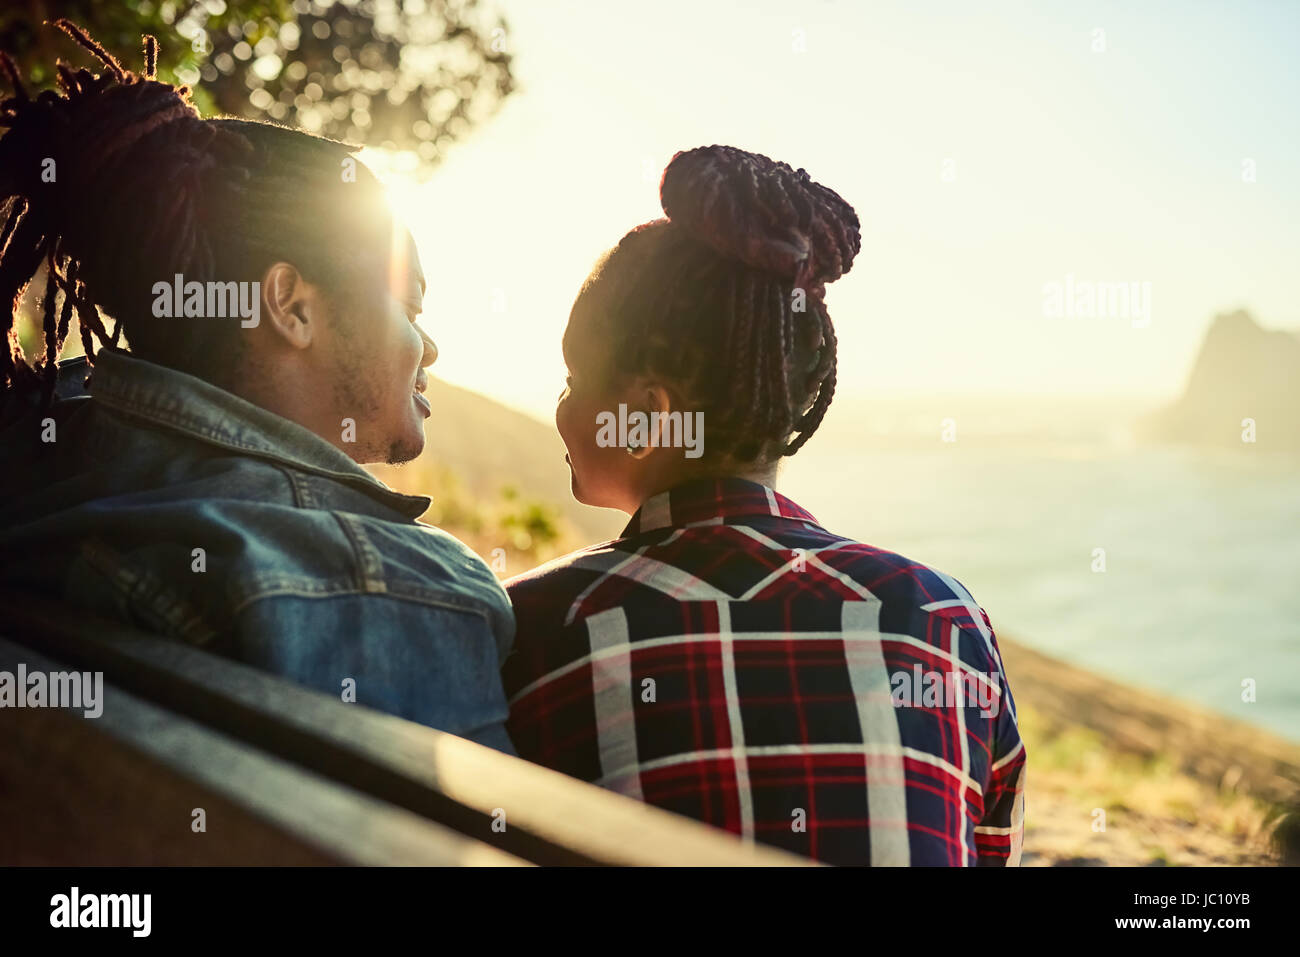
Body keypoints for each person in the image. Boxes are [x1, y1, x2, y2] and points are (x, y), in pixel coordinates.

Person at [501, 145, 1027, 863]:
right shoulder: (942, 618)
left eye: (572, 377)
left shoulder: (534, 626)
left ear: (650, 412)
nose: (559, 404)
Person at [0, 23, 514, 752]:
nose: (428, 344)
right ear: (290, 306)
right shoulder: (387, 583)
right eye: (410, 305)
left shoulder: (32, 453)